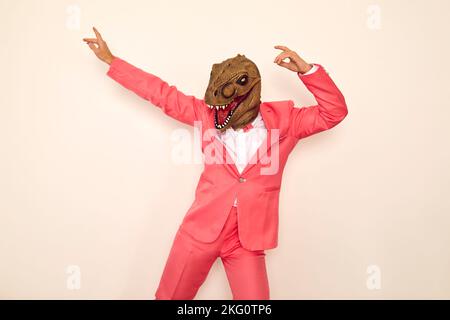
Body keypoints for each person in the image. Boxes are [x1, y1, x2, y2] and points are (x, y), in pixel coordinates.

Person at [83, 27, 348, 300]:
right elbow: (160, 93)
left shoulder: (287, 120)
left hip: (247, 238)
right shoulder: (206, 114)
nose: (226, 102)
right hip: (199, 232)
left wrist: (307, 71)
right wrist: (111, 60)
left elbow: (334, 112)